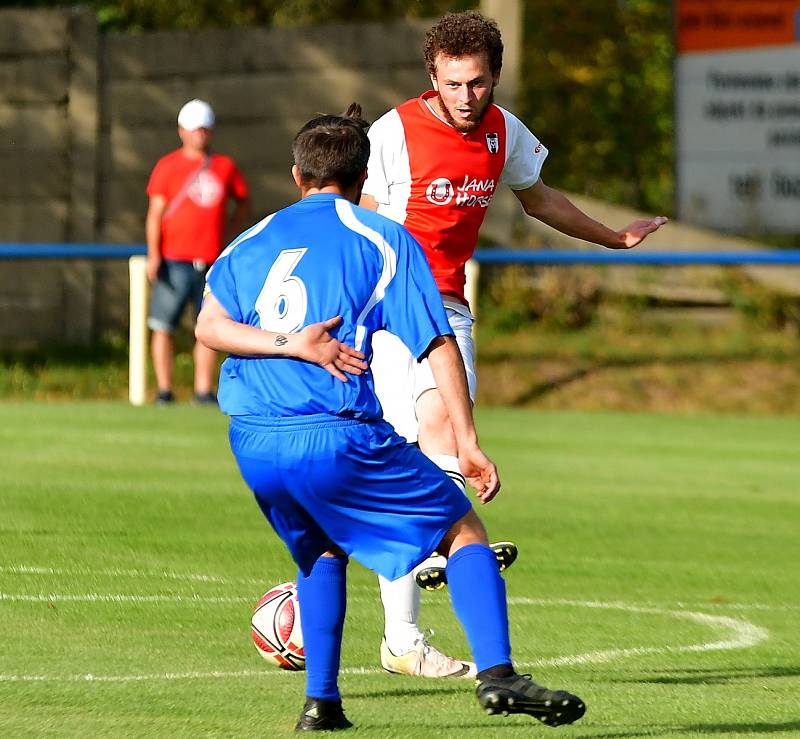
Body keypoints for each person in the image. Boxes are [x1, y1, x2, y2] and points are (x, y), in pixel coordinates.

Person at [195, 106, 587, 731]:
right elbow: (436, 344)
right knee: (462, 531)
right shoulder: (383, 237)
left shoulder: (253, 237)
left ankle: (320, 706)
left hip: (254, 440)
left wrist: (288, 343)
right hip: (334, 432)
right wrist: (468, 442)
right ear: (363, 174)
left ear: (298, 175)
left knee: (321, 550)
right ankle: (499, 674)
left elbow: (209, 327)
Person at [359, 10, 668, 677]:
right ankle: (408, 627)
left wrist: (614, 236)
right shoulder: (394, 133)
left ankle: (410, 615)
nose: (467, 97)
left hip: (447, 307)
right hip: (384, 306)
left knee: (441, 434)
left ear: (494, 75)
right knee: (416, 442)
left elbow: (539, 198)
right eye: (453, 83)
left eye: (477, 82)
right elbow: (358, 216)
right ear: (432, 79)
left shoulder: (504, 131)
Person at [146, 98, 252, 405]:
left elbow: (243, 202)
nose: (200, 135)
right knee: (163, 325)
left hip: (211, 260)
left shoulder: (225, 167)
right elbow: (155, 213)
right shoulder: (167, 166)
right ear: (182, 131)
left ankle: (203, 389)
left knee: (206, 326)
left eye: (204, 129)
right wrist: (155, 253)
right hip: (174, 259)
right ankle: (165, 390)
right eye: (194, 129)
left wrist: (230, 234)